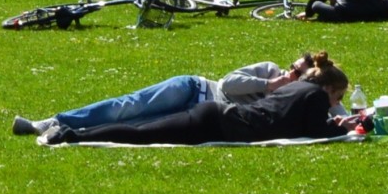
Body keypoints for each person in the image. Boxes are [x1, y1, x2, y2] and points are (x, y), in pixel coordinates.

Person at [41, 51, 355, 147]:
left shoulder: (295, 90)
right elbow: (316, 131)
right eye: (337, 96)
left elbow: (302, 121)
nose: (336, 101)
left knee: (141, 132)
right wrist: (343, 129)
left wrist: (339, 116)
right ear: (326, 88)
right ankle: (71, 132)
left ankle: (75, 134)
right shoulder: (312, 96)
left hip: (214, 114)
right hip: (217, 123)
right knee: (141, 133)